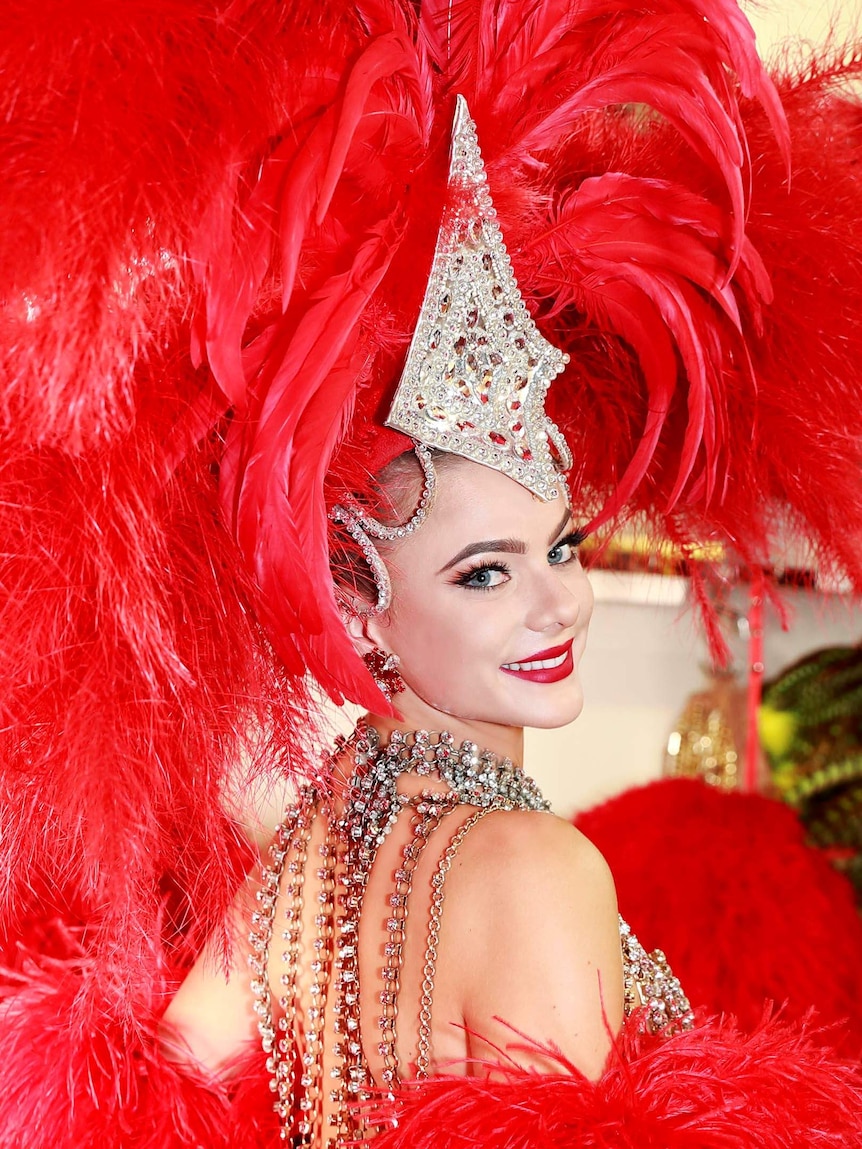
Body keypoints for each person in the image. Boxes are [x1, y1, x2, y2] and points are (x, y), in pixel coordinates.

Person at [2, 2, 862, 1147]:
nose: (556, 602)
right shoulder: (536, 871)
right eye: (480, 575)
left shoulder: (308, 852)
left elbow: (137, 1100)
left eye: (557, 548)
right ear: (356, 606)